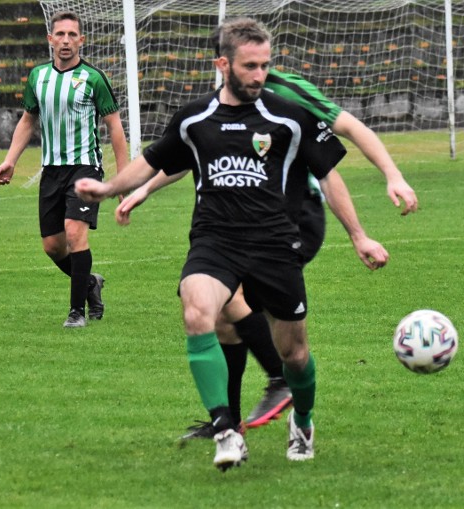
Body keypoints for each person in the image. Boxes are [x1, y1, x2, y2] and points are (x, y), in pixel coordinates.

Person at [76, 17, 389, 470]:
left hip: (275, 245)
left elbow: (329, 176)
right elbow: (153, 162)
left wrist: (359, 236)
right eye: (250, 66)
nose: (260, 75)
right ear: (223, 64)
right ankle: (226, 430)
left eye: (265, 65)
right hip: (215, 240)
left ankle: (302, 418)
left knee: (294, 353)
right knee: (198, 310)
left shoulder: (288, 117)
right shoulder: (194, 118)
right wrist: (108, 191)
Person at [0, 11, 129, 328]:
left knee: (74, 231)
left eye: (72, 34)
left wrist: (122, 179)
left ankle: (76, 312)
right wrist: (10, 160)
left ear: (81, 40)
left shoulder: (94, 79)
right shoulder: (38, 77)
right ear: (50, 39)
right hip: (51, 170)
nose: (66, 40)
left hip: (85, 168)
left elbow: (114, 127)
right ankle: (90, 283)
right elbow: (28, 120)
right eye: (60, 34)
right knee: (53, 247)